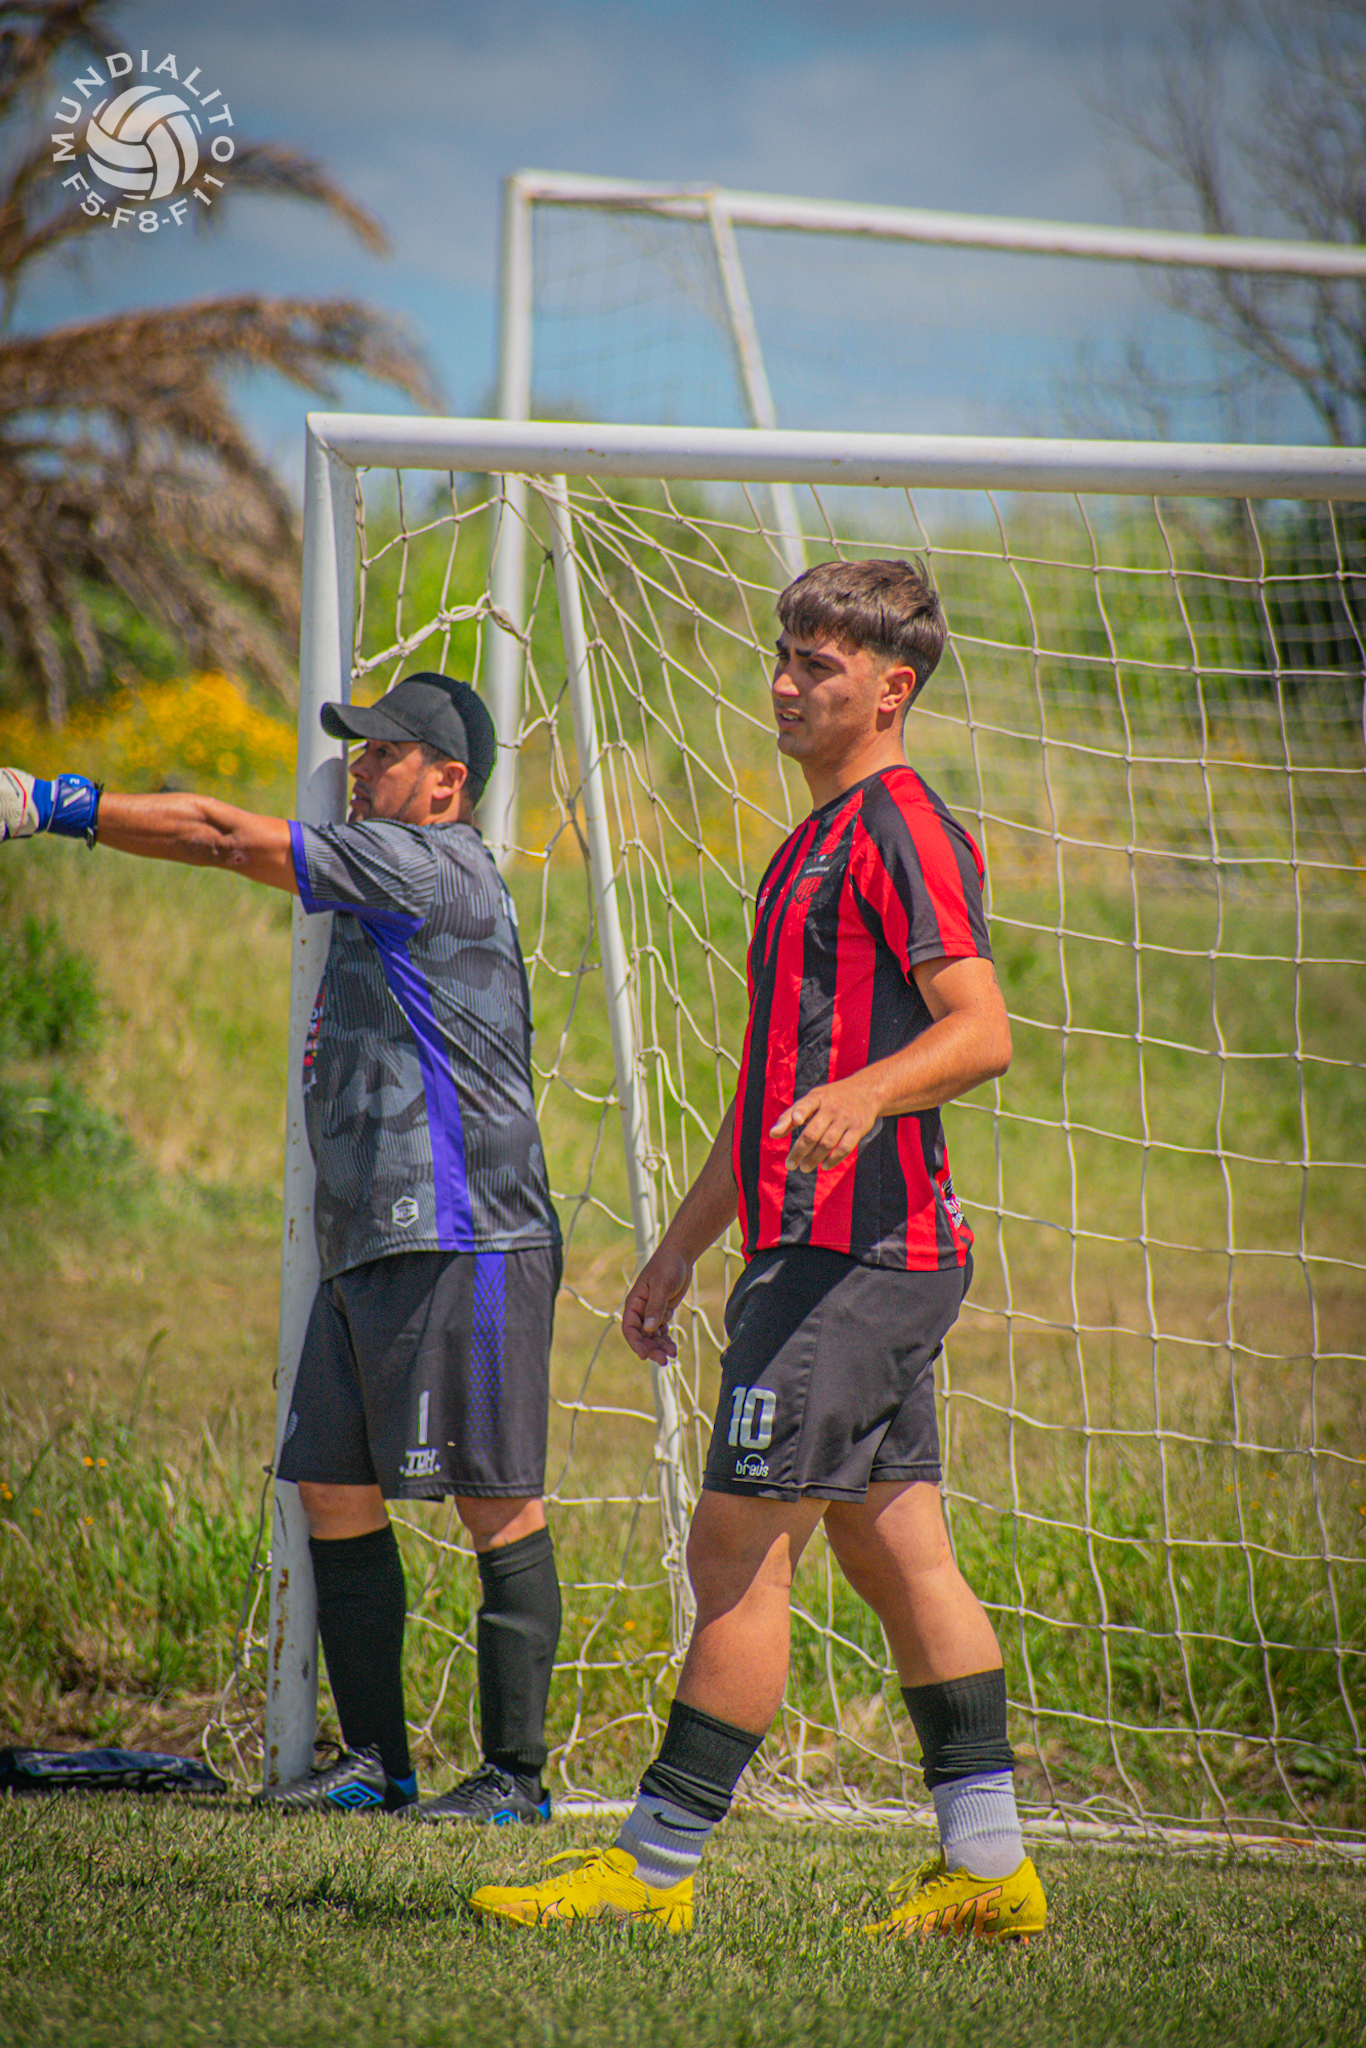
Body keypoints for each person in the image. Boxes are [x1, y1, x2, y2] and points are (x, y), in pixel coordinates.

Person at [468, 561, 1046, 1938]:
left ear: (892, 689)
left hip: (858, 1256)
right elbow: (769, 1090)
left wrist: (868, 1094)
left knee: (733, 1550)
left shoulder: (902, 827)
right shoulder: (805, 844)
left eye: (818, 665)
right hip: (823, 1252)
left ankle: (649, 1873)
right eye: (782, 657)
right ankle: (990, 1873)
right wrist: (678, 1249)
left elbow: (981, 1029)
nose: (784, 685)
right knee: (898, 1553)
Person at [0, 672, 564, 1826]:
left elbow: (219, 835)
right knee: (331, 1488)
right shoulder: (385, 861)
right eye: (360, 749)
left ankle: (514, 1778)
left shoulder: (426, 863)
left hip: (465, 1234)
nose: (359, 769)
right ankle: (377, 1763)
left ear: (447, 783)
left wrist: (48, 803)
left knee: (493, 1500)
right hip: (370, 1237)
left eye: (385, 753)